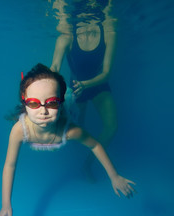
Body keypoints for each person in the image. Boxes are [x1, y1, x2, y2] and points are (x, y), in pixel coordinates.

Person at [0, 63, 135, 216]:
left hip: (67, 107)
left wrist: (114, 176)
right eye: (33, 103)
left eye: (52, 103)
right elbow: (10, 165)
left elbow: (95, 145)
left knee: (71, 100)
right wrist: (5, 204)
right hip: (56, 108)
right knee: (54, 81)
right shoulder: (19, 130)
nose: (43, 111)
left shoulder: (70, 131)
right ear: (24, 102)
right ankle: (54, 76)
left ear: (59, 104)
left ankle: (62, 91)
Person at [50, 0, 117, 179]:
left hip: (97, 84)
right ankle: (73, 155)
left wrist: (86, 84)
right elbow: (54, 67)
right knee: (80, 126)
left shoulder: (108, 32)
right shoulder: (66, 36)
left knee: (111, 126)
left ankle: (88, 164)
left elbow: (107, 73)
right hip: (75, 88)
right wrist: (48, 87)